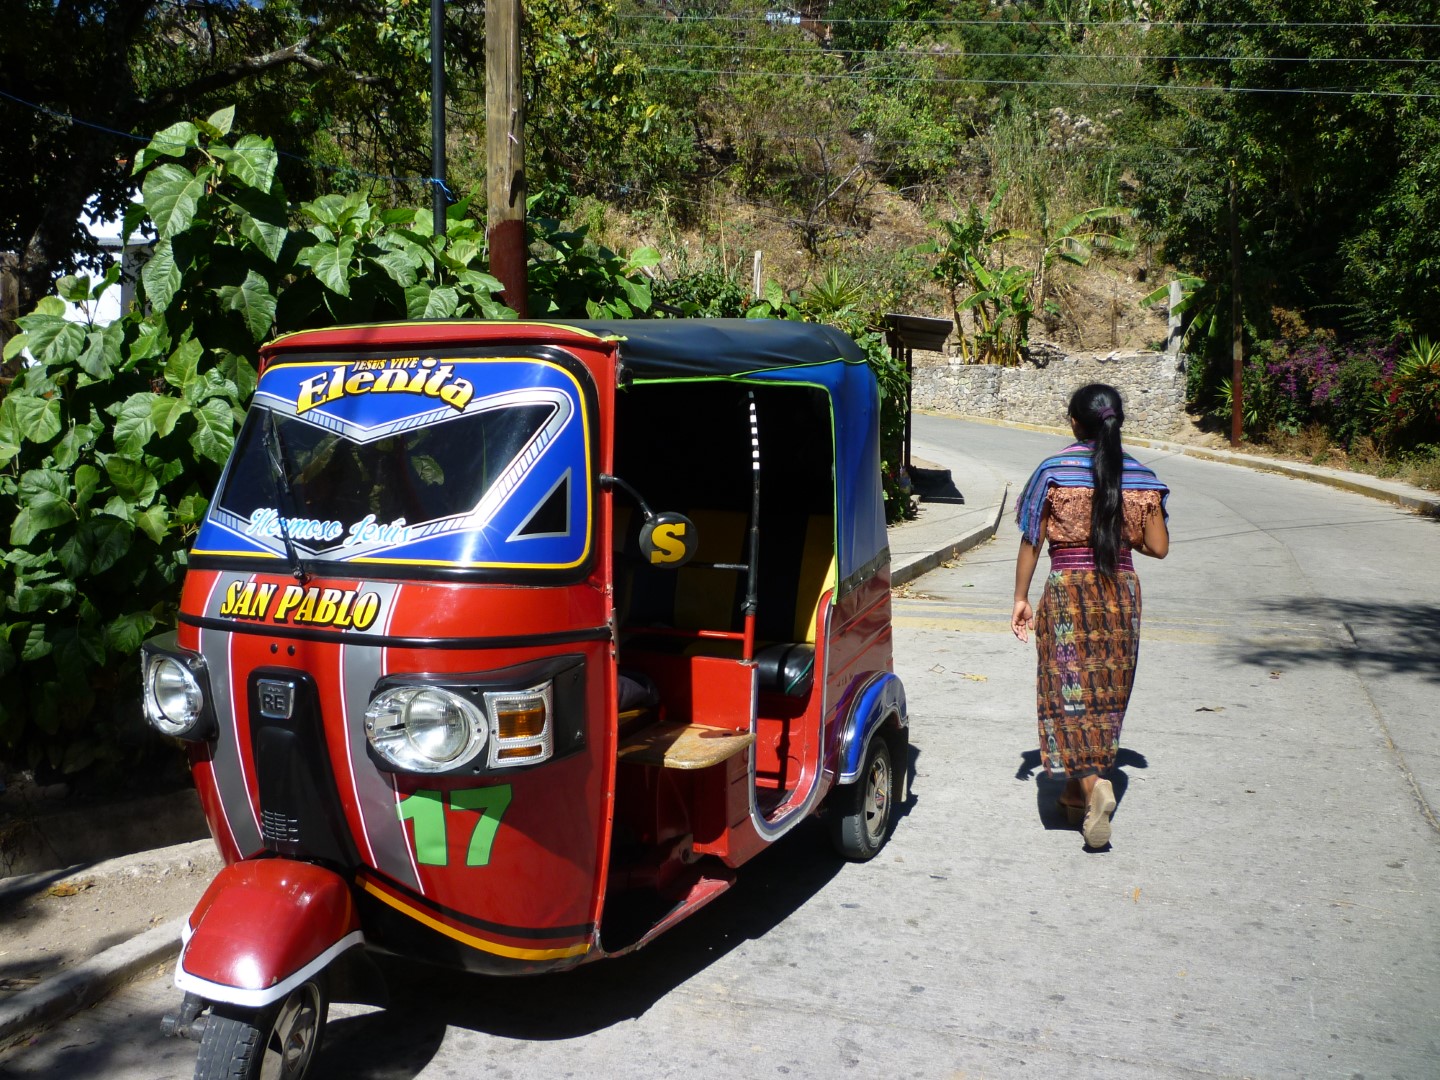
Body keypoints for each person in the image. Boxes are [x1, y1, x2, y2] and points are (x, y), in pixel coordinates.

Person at [1010, 384, 1170, 849]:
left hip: (1067, 592)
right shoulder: (1141, 476)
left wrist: (1021, 597)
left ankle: (1094, 786)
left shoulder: (1053, 470)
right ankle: (1076, 796)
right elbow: (1158, 548)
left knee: (1067, 693)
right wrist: (1127, 531)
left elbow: (1031, 539)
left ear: (1074, 423)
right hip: (1120, 595)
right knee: (1105, 695)